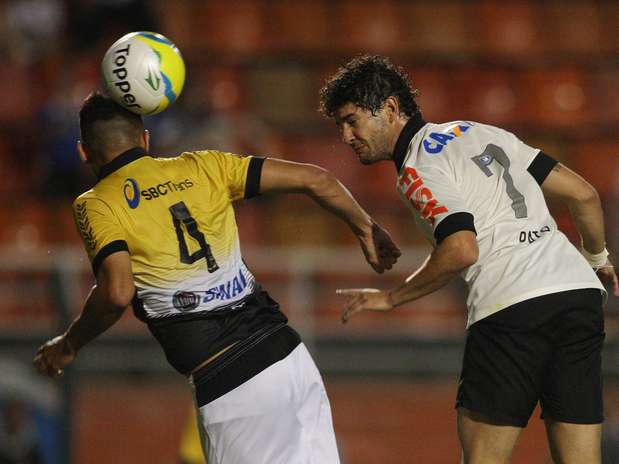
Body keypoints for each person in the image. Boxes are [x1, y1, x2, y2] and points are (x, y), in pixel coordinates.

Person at [33, 91, 401, 463]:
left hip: (231, 386)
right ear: (146, 140)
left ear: (84, 152)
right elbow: (317, 179)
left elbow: (115, 293)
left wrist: (67, 345)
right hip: (290, 358)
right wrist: (365, 227)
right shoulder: (204, 166)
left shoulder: (97, 203)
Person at [319, 55, 619, 464]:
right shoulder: (479, 131)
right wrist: (598, 258)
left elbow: (462, 249)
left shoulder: (416, 166)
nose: (346, 136)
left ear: (390, 109)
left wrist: (391, 299)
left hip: (511, 305)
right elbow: (583, 194)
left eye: (352, 120)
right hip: (576, 295)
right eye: (340, 125)